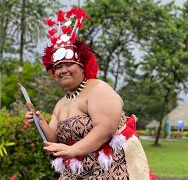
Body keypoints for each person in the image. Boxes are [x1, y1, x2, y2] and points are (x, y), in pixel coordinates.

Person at [25, 8, 156, 180]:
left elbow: (106, 128)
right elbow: (56, 138)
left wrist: (73, 150)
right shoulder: (61, 104)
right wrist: (39, 121)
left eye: (68, 64)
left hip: (110, 170)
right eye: (57, 67)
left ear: (81, 66)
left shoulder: (97, 89)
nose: (63, 70)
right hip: (76, 172)